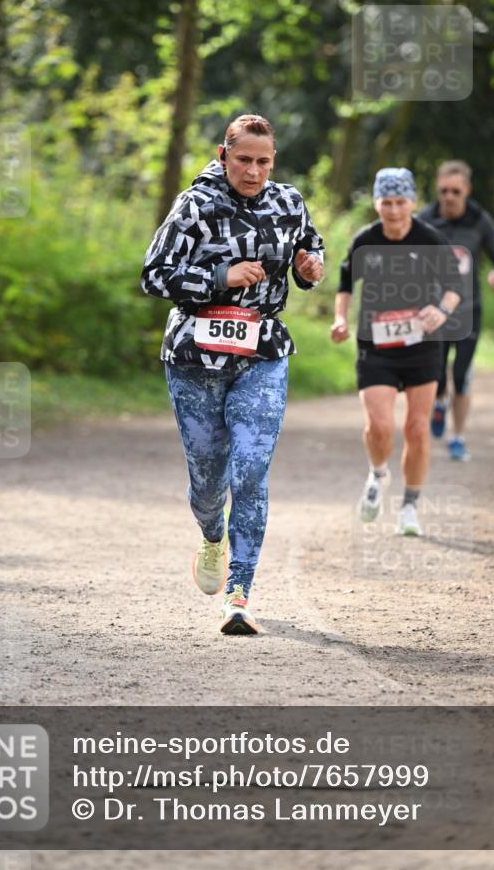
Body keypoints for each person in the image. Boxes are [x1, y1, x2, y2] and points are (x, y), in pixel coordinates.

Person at [141, 114, 324, 635]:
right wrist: (221, 276)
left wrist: (310, 269)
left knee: (250, 467)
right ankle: (211, 536)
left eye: (263, 161)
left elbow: (311, 249)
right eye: (243, 159)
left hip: (262, 350)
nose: (253, 170)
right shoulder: (195, 205)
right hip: (195, 355)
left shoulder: (288, 202)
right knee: (207, 479)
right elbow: (154, 275)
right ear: (223, 154)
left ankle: (239, 593)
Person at [330, 167, 463, 537]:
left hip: (422, 345)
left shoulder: (430, 239)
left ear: (412, 203)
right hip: (376, 346)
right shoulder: (365, 240)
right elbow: (344, 284)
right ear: (376, 203)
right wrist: (340, 319)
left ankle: (410, 506)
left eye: (400, 202)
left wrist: (442, 309)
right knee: (380, 425)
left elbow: (454, 286)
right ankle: (377, 473)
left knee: (417, 429)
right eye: (386, 202)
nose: (393, 210)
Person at [418, 160, 494, 461]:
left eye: (456, 191)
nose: (449, 197)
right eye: (443, 190)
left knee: (462, 374)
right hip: (435, 312)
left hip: (469, 311)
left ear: (466, 190)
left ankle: (458, 437)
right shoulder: (425, 219)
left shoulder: (480, 220)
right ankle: (439, 403)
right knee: (438, 375)